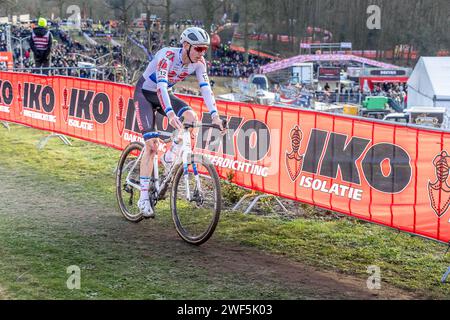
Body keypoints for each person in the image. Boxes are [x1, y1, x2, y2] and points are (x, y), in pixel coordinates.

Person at [133, 27, 224, 218]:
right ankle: (142, 198)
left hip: (165, 94)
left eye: (204, 50)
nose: (202, 53)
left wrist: (215, 115)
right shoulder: (166, 56)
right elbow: (161, 87)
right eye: (198, 49)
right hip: (146, 94)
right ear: (185, 45)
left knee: (192, 118)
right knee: (151, 145)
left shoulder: (199, 64)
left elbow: (206, 89)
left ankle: (170, 155)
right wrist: (170, 114)